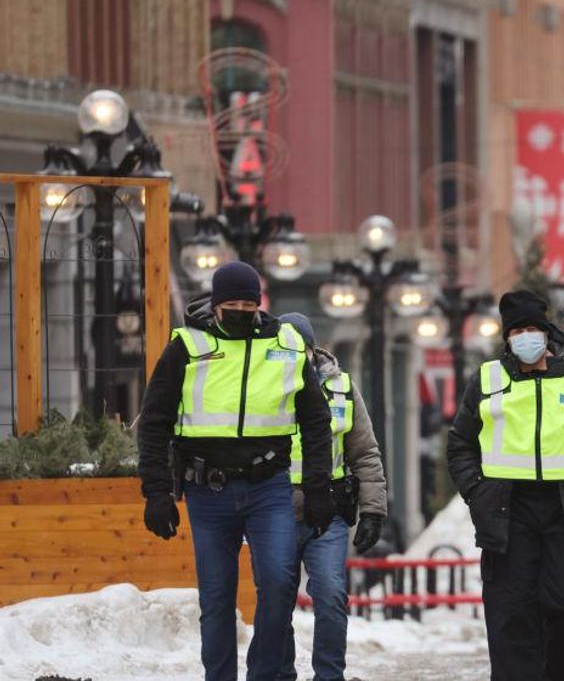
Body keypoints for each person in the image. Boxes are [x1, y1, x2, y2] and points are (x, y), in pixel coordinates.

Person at [136, 262, 336, 681]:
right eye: (232, 304)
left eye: (249, 303)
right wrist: (156, 492)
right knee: (217, 597)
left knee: (281, 585)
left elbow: (317, 424)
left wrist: (318, 489)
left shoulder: (288, 345)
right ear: (215, 304)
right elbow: (154, 422)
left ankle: (263, 674)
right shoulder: (186, 347)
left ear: (260, 304)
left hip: (269, 489)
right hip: (208, 491)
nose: (242, 310)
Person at [446, 289, 564, 681]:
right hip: (507, 514)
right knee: (512, 615)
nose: (526, 337)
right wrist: (477, 493)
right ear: (507, 339)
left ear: (547, 334)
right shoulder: (488, 380)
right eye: (518, 331)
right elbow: (460, 443)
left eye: (533, 328)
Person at [276, 313, 389, 681]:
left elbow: (365, 452)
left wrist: (373, 508)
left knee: (329, 592)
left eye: (301, 349)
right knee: (275, 600)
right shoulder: (266, 388)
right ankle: (280, 673)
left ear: (313, 349)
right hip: (273, 510)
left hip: (329, 512)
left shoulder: (342, 388)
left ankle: (329, 675)